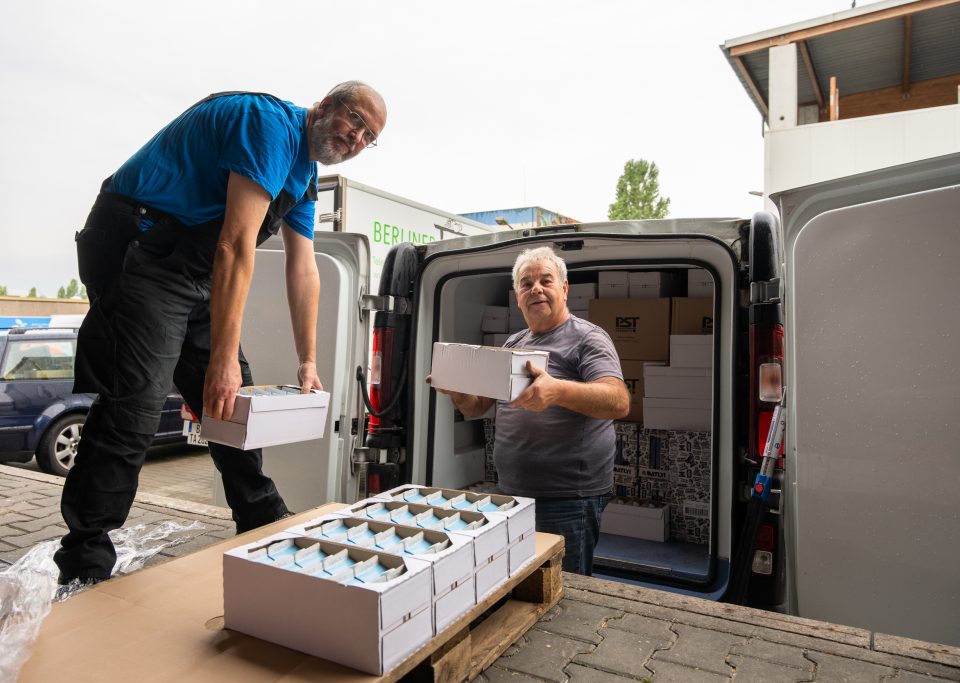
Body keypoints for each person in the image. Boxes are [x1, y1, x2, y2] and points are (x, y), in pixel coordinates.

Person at [54, 82, 387, 586]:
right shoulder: (269, 126)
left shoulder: (303, 175)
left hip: (193, 269)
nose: (357, 138)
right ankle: (85, 559)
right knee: (135, 403)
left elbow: (304, 269)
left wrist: (308, 362)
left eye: (369, 136)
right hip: (141, 247)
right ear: (324, 106)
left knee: (236, 400)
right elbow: (234, 244)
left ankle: (260, 516)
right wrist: (221, 358)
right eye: (355, 120)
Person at [432, 246, 629, 575]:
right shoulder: (514, 343)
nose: (535, 288)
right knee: (517, 584)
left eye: (546, 281)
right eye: (526, 283)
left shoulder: (588, 339)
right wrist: (457, 391)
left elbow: (619, 401)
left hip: (568, 499)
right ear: (517, 296)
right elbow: (478, 405)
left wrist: (558, 390)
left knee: (563, 593)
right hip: (511, 493)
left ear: (564, 289)